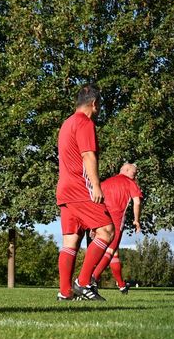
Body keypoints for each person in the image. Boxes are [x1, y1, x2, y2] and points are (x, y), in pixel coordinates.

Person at [55, 84, 114, 302]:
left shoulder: (66, 123)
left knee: (71, 240)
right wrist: (96, 185)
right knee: (107, 230)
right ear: (94, 103)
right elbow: (88, 155)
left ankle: (65, 292)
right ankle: (83, 281)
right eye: (99, 106)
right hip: (80, 188)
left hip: (64, 189)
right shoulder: (84, 122)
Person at [90, 163, 142, 294]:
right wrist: (136, 220)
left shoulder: (105, 183)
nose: (135, 176)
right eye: (134, 173)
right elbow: (137, 201)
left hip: (101, 217)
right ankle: (90, 280)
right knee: (110, 251)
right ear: (126, 170)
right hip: (116, 219)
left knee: (114, 253)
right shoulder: (130, 183)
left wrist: (93, 225)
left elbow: (96, 201)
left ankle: (121, 285)